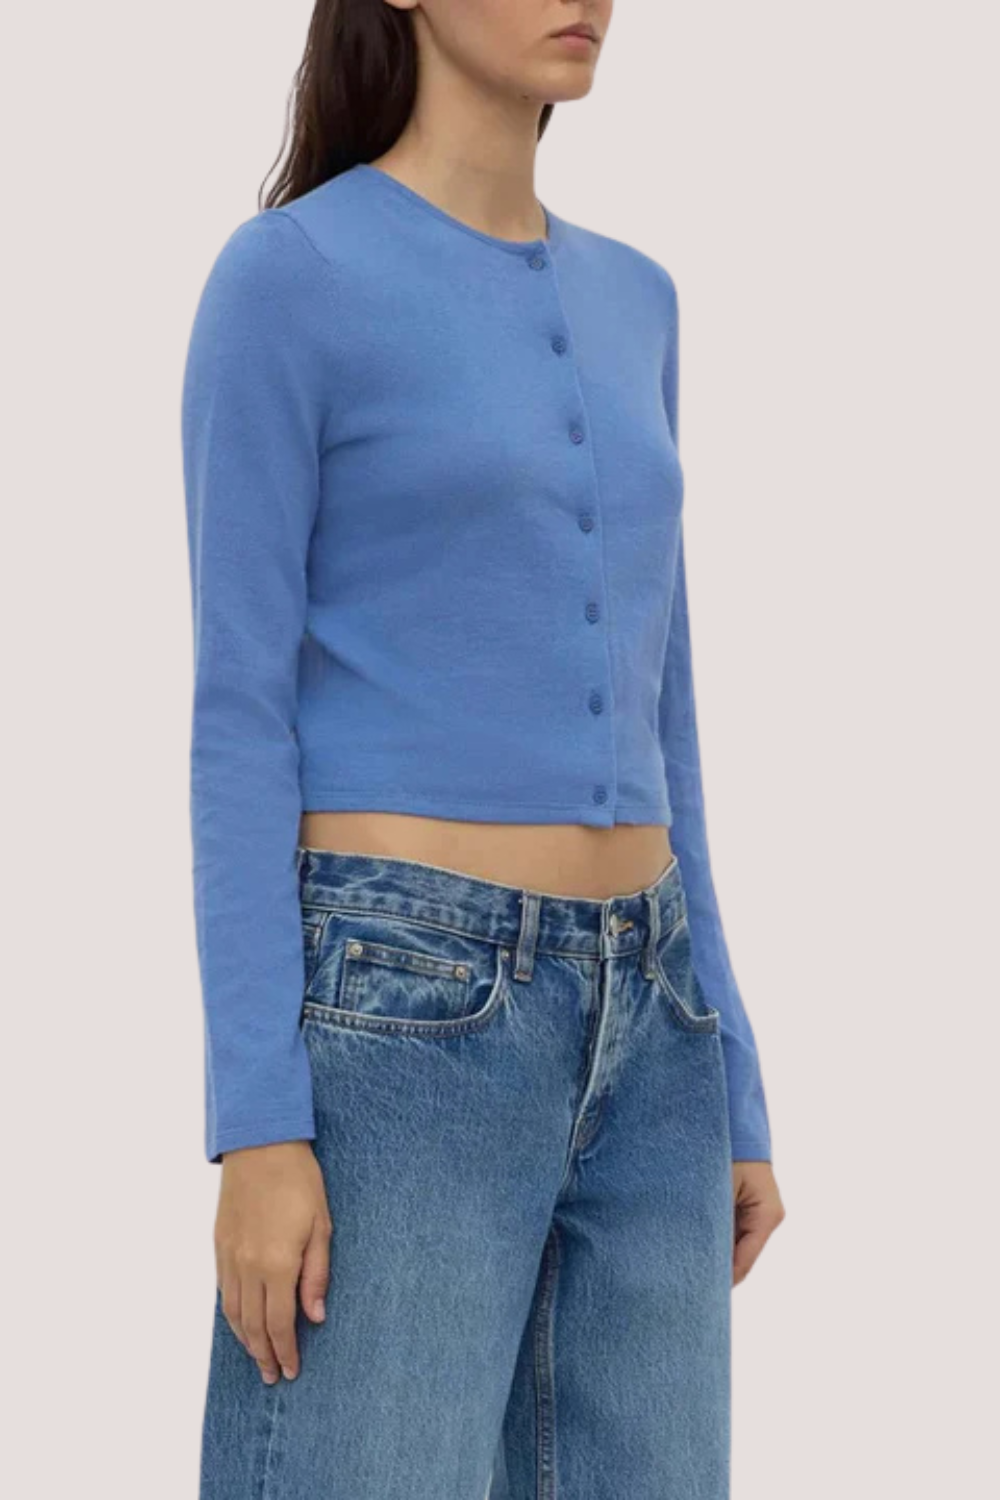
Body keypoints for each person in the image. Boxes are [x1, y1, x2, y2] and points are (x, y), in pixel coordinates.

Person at [181, 3, 785, 1496]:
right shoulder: (289, 279)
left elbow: (666, 716)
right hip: (406, 1017)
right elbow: (239, 714)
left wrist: (729, 1069)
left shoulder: (641, 299)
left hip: (654, 1021)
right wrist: (257, 1126)